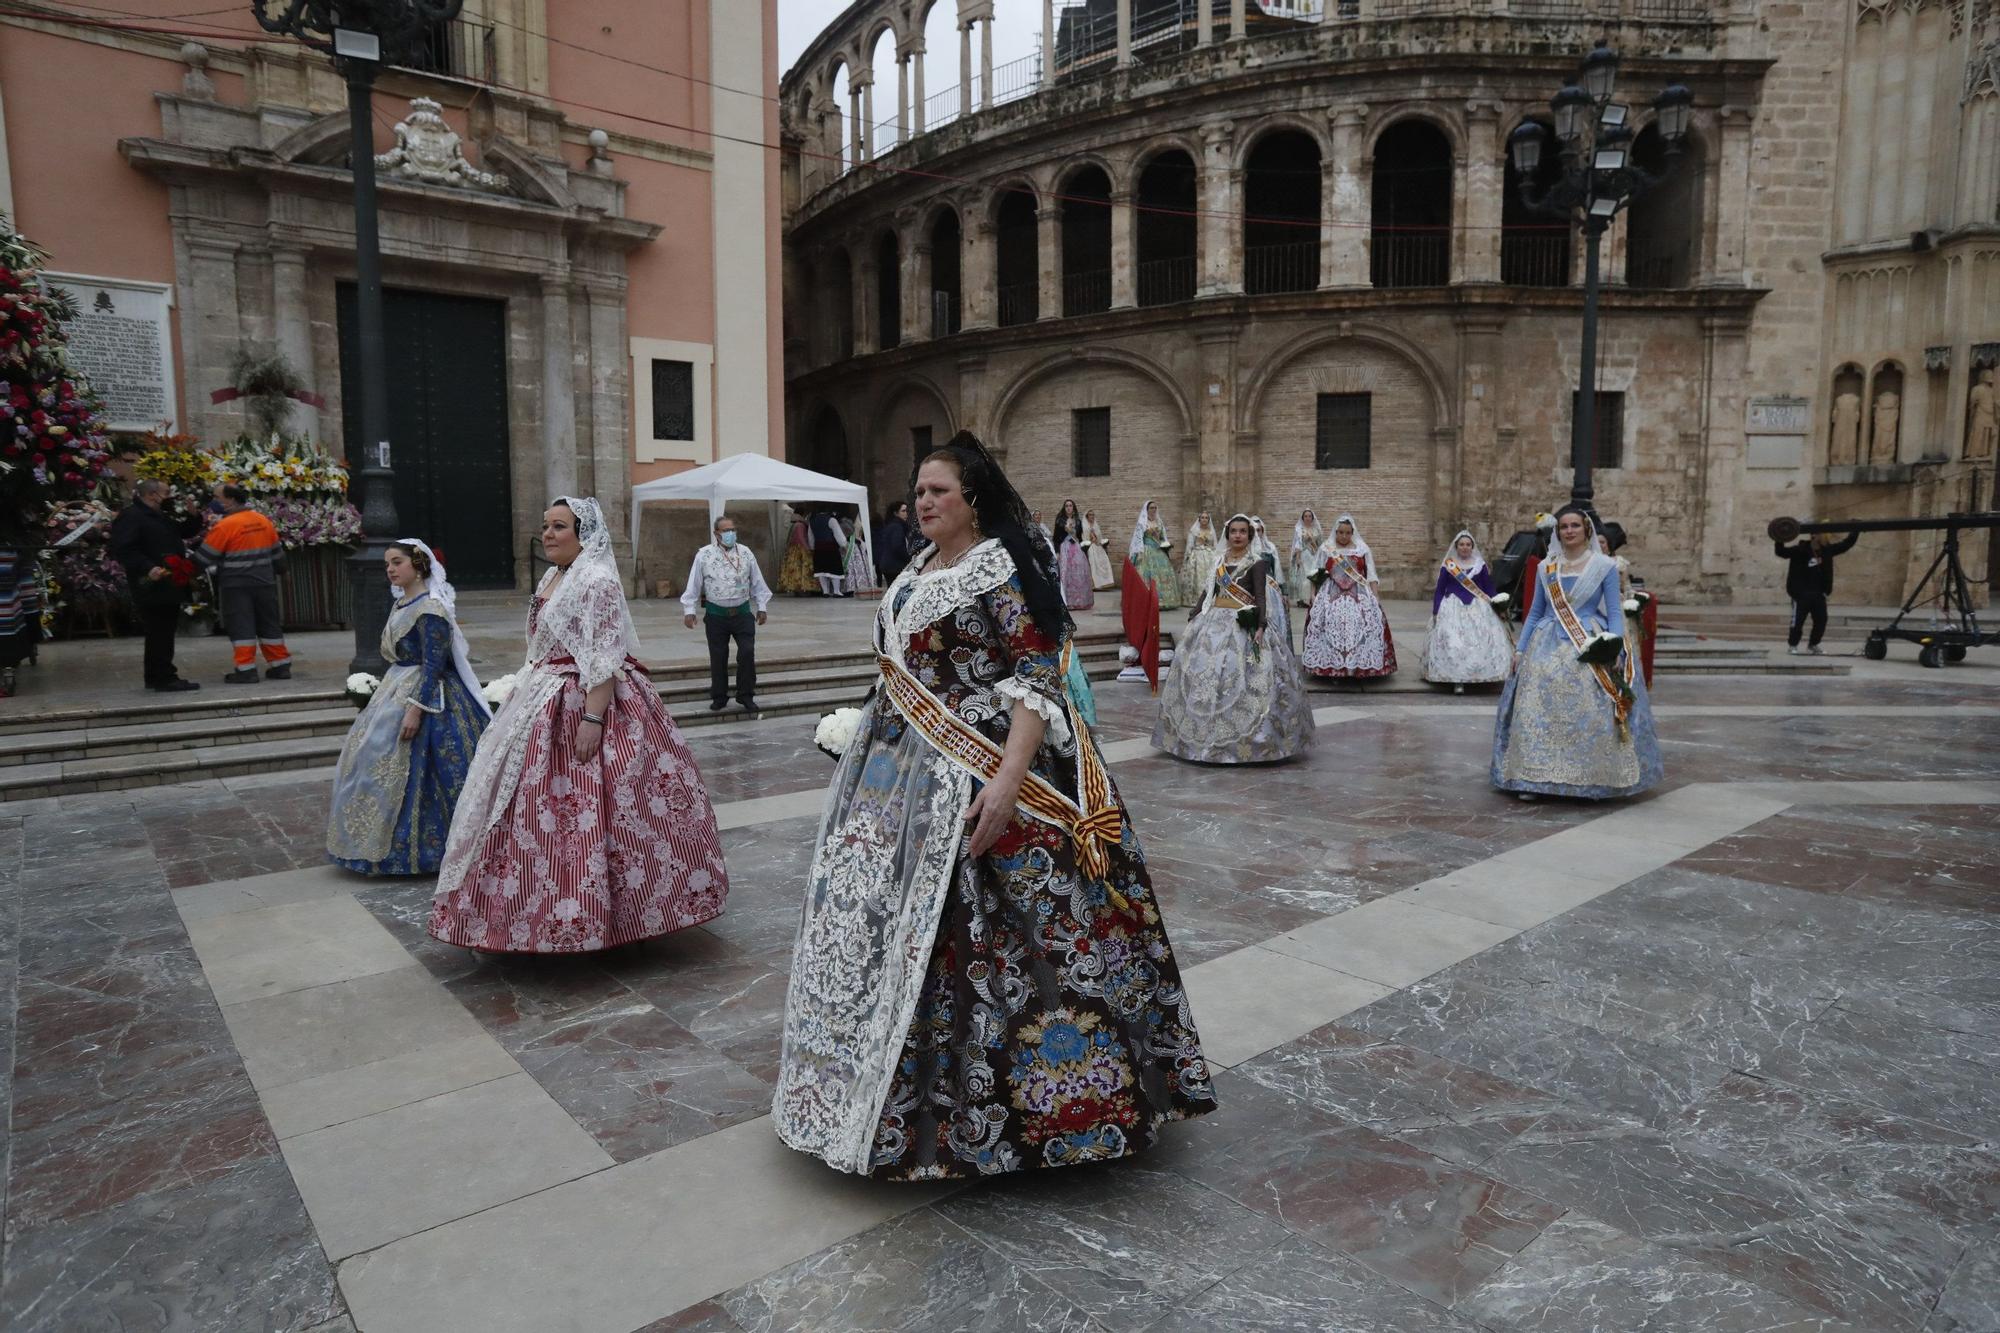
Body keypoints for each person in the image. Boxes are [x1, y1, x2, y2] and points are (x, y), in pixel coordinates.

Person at [774, 432, 1215, 1179]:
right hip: (902, 777)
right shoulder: (916, 569)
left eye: (938, 490)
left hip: (989, 767)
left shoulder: (1000, 567)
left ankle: (1044, 1112)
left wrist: (1008, 781)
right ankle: (887, 1099)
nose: (923, 502)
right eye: (918, 492)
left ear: (972, 497)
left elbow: (1035, 674)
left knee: (1011, 936)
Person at [430, 497, 729, 952]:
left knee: (603, 808)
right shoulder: (557, 574)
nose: (548, 534)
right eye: (546, 526)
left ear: (583, 534)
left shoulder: (597, 579)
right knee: (524, 809)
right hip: (543, 694)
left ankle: (611, 916)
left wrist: (592, 718)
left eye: (559, 527)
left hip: (587, 700)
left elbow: (604, 656)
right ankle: (518, 916)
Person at [327, 540, 490, 875]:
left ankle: (436, 851)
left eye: (397, 562)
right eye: (388, 563)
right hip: (395, 688)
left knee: (432, 771)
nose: (390, 569)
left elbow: (434, 666)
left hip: (427, 697)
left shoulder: (431, 610)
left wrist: (415, 709)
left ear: (418, 566)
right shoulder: (402, 603)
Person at [1492, 504, 1663, 801]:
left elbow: (1612, 612)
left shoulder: (1604, 566)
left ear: (1586, 530)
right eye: (1563, 527)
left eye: (1574, 526)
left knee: (1590, 708)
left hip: (1588, 641)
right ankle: (1532, 778)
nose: (1569, 531)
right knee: (1537, 708)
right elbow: (1534, 614)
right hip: (1546, 643)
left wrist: (1614, 646)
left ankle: (1592, 779)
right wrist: (1519, 651)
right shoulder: (1547, 567)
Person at [1154, 514, 1315, 764]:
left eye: (1243, 532)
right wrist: (1196, 612)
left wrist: (1261, 625)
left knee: (1245, 678)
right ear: (1227, 535)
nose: (1237, 535)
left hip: (1243, 623)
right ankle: (1202, 738)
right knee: (1204, 676)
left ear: (1250, 536)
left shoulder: (1256, 562)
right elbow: (1210, 590)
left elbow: (1260, 596)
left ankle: (1250, 742)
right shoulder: (1219, 560)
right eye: (1233, 532)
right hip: (1213, 622)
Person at [195, 483, 290, 684]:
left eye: (217, 497)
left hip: (236, 586)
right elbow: (278, 556)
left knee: (241, 626)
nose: (214, 501)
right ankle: (280, 665)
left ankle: (246, 670)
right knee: (269, 623)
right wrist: (281, 571)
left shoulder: (225, 526)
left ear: (230, 500)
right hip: (265, 582)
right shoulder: (262, 520)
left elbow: (204, 558)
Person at [110, 478, 199, 693]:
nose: (169, 496)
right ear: (151, 494)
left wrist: (194, 515)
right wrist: (147, 567)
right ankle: (164, 677)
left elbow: (182, 532)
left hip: (169, 580)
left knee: (162, 630)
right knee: (159, 630)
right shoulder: (132, 516)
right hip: (152, 582)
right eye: (166, 492)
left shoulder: (158, 515)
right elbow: (124, 548)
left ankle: (155, 674)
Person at [681, 514, 772, 713]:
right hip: (716, 615)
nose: (730, 533)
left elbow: (757, 581)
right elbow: (694, 584)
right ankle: (719, 696)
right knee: (718, 656)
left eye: (733, 529)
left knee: (747, 652)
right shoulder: (704, 555)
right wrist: (689, 610)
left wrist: (762, 606)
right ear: (716, 533)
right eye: (725, 530)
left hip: (742, 613)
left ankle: (746, 695)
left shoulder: (746, 552)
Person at [1302, 514, 1396, 679]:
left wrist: (1375, 598)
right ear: (1335, 532)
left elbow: (1371, 576)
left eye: (1347, 533)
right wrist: (1312, 594)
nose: (1343, 536)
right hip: (1330, 594)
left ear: (1352, 532)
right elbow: (1315, 573)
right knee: (1332, 627)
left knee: (1359, 628)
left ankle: (1358, 667)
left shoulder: (1362, 549)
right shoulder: (1326, 548)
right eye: (1340, 532)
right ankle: (1334, 668)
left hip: (1359, 594)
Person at [1420, 530, 1511, 692]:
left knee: (1482, 640)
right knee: (1453, 641)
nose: (1465, 547)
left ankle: (1481, 676)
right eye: (1461, 544)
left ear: (1472, 547)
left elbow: (1488, 587)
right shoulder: (1449, 565)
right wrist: (1436, 610)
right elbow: (1440, 589)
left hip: (1478, 607)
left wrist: (1499, 603)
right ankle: (1457, 680)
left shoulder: (1479, 565)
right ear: (1456, 546)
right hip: (1453, 607)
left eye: (1468, 544)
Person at [1775, 526, 1858, 657]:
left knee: (1821, 620)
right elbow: (1781, 552)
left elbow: (1846, 545)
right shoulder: (1800, 550)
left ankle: (1813, 645)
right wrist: (1780, 536)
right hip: (1801, 594)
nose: (1827, 537)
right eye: (1824, 535)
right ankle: (1793, 645)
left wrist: (1855, 530)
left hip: (1819, 594)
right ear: (1814, 536)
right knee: (1797, 621)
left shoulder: (1827, 551)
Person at [1128, 500, 1181, 610]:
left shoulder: (1159, 522)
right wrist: (1140, 552)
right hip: (1146, 551)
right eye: (1151, 508)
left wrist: (1166, 545)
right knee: (1147, 575)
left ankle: (1164, 600)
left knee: (1163, 575)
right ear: (1146, 510)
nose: (1153, 510)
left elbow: (1162, 537)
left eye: (1155, 508)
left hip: (1159, 551)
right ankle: (1146, 600)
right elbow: (1138, 539)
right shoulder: (1142, 523)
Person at [1052, 498, 1094, 610]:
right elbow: (1055, 537)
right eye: (1066, 506)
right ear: (1064, 508)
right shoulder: (1060, 520)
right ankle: (1067, 601)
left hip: (1076, 548)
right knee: (1066, 574)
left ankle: (1079, 601)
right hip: (1064, 547)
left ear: (1073, 508)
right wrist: (1057, 551)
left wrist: (1084, 547)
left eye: (1070, 505)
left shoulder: (1078, 521)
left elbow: (1079, 537)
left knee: (1078, 573)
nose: (1069, 507)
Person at [1288, 509, 1326, 607]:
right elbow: (1297, 544)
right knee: (1303, 577)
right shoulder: (1299, 529)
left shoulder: (1317, 530)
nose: (1308, 518)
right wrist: (1298, 558)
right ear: (1303, 518)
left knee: (1313, 575)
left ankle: (1312, 597)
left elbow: (1321, 544)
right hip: (1304, 555)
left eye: (1309, 516)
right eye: (1306, 516)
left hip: (1314, 555)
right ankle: (1303, 599)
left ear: (1312, 518)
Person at [809, 507, 848, 596]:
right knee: (834, 570)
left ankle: (825, 591)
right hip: (831, 548)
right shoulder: (831, 520)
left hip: (818, 548)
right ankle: (836, 591)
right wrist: (843, 544)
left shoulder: (812, 521)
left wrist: (812, 547)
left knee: (821, 571)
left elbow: (810, 536)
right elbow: (838, 534)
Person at [1181, 512, 1218, 606]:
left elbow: (1215, 545)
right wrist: (1188, 557)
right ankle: (1196, 598)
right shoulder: (1194, 531)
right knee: (1197, 576)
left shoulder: (1211, 531)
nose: (1204, 519)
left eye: (1206, 518)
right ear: (1199, 519)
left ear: (1209, 520)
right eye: (1202, 517)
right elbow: (1190, 545)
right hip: (1197, 555)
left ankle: (1209, 598)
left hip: (1210, 555)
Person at [778, 508, 817, 596]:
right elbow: (800, 538)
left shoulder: (795, 524)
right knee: (801, 569)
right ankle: (801, 588)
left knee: (795, 569)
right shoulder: (800, 525)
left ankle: (796, 588)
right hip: (800, 549)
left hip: (793, 549)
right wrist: (807, 548)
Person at [875, 501, 914, 583]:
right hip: (894, 566)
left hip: (889, 565)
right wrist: (909, 559)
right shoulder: (897, 526)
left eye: (906, 511)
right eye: (903, 511)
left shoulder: (892, 525)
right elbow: (897, 546)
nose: (906, 514)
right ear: (896, 513)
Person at [844, 510, 877, 596]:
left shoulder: (861, 521)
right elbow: (857, 534)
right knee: (856, 566)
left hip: (860, 544)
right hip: (856, 545)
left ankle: (862, 584)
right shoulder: (858, 522)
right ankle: (854, 586)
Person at [1083, 508, 1116, 589]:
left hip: (1097, 545)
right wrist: (1090, 539)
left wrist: (1096, 537)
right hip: (1090, 546)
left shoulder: (1096, 525)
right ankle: (1095, 585)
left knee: (1104, 559)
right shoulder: (1084, 526)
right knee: (1093, 562)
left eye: (1093, 515)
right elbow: (1084, 537)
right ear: (1087, 516)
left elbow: (1099, 537)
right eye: (1090, 515)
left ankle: (1105, 583)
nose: (1092, 516)